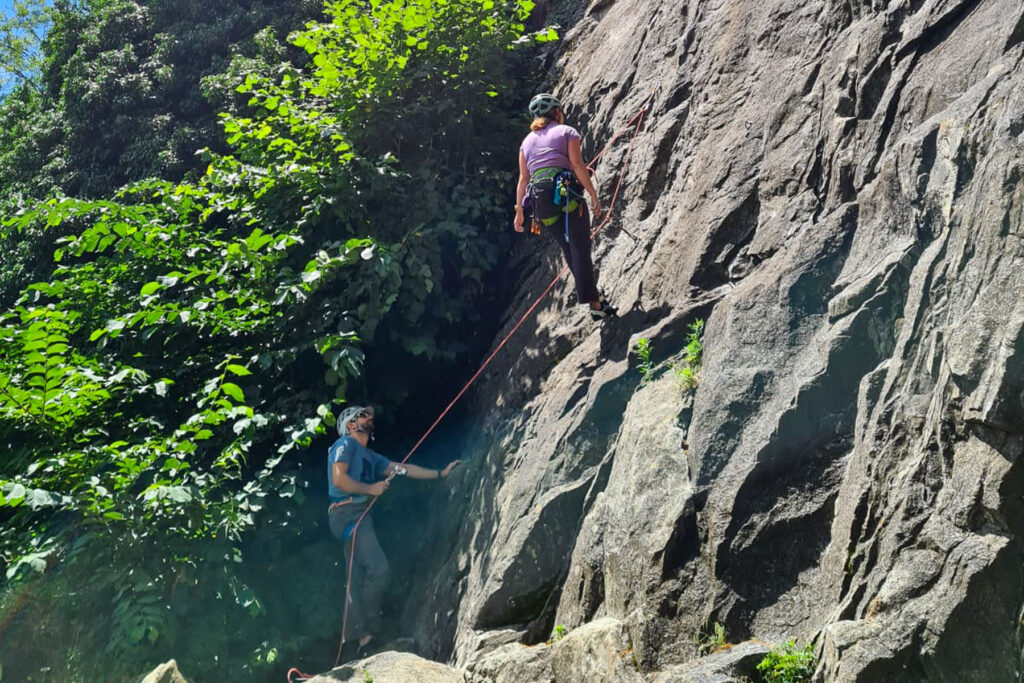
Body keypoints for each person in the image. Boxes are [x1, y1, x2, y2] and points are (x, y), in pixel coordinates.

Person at [327, 405, 460, 652]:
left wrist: (441, 473)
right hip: (348, 513)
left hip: (355, 514)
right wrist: (371, 489)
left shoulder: (371, 457)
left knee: (355, 577)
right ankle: (373, 631)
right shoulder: (344, 445)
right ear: (350, 425)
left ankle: (360, 640)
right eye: (362, 415)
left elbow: (404, 468)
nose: (369, 417)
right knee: (379, 569)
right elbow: (338, 479)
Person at [513, 92, 616, 320]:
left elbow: (523, 178)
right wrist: (593, 195)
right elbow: (578, 166)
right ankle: (595, 305)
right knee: (580, 248)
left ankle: (593, 298)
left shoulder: (525, 143)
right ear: (557, 113)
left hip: (540, 204)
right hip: (565, 194)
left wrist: (519, 212)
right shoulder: (567, 131)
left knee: (569, 249)